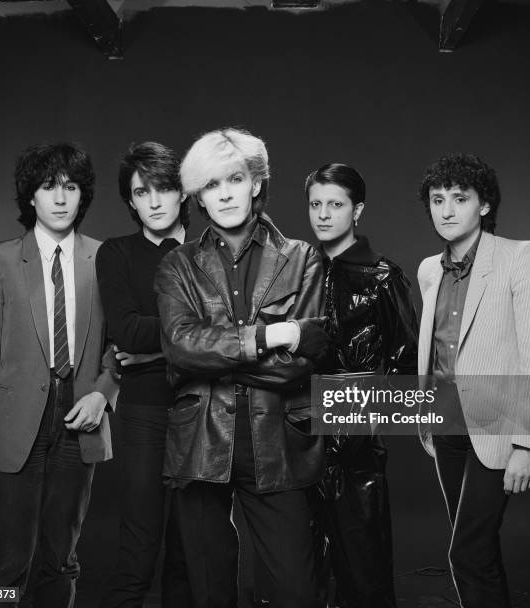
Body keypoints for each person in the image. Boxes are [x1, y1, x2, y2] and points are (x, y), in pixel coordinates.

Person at [153, 127, 329, 608]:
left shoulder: (301, 258)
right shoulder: (178, 265)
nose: (225, 193)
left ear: (255, 183)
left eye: (234, 178)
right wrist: (270, 336)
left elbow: (301, 365)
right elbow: (180, 348)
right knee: (209, 593)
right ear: (199, 198)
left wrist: (210, 361)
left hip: (280, 442)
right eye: (211, 185)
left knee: (297, 591)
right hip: (201, 444)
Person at [0, 142, 119, 607]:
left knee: (62, 557)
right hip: (16, 422)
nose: (59, 198)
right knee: (8, 559)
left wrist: (103, 393)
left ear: (81, 196)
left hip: (80, 415)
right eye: (48, 187)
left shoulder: (104, 257)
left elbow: (124, 342)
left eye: (70, 188)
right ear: (30, 196)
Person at [416, 153, 530, 607]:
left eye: (460, 198)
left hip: (499, 426)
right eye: (438, 200)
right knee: (479, 546)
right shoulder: (429, 270)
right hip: (446, 423)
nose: (447, 210)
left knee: (467, 551)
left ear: (484, 205)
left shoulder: (520, 256)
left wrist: (528, 443)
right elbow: (435, 347)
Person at [306, 162, 418, 608]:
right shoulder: (300, 271)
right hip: (297, 437)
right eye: (315, 204)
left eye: (335, 204)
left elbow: (406, 361)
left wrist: (359, 420)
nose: (324, 214)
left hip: (355, 448)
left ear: (357, 211)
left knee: (362, 569)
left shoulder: (383, 276)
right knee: (303, 567)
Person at [95, 141, 192, 608]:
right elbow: (126, 331)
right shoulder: (116, 253)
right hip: (145, 415)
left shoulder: (207, 252)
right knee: (139, 541)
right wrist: (191, 336)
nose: (153, 202)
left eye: (164, 189)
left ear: (182, 194)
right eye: (141, 192)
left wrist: (154, 355)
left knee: (190, 551)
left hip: (205, 411)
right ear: (130, 200)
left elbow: (229, 333)